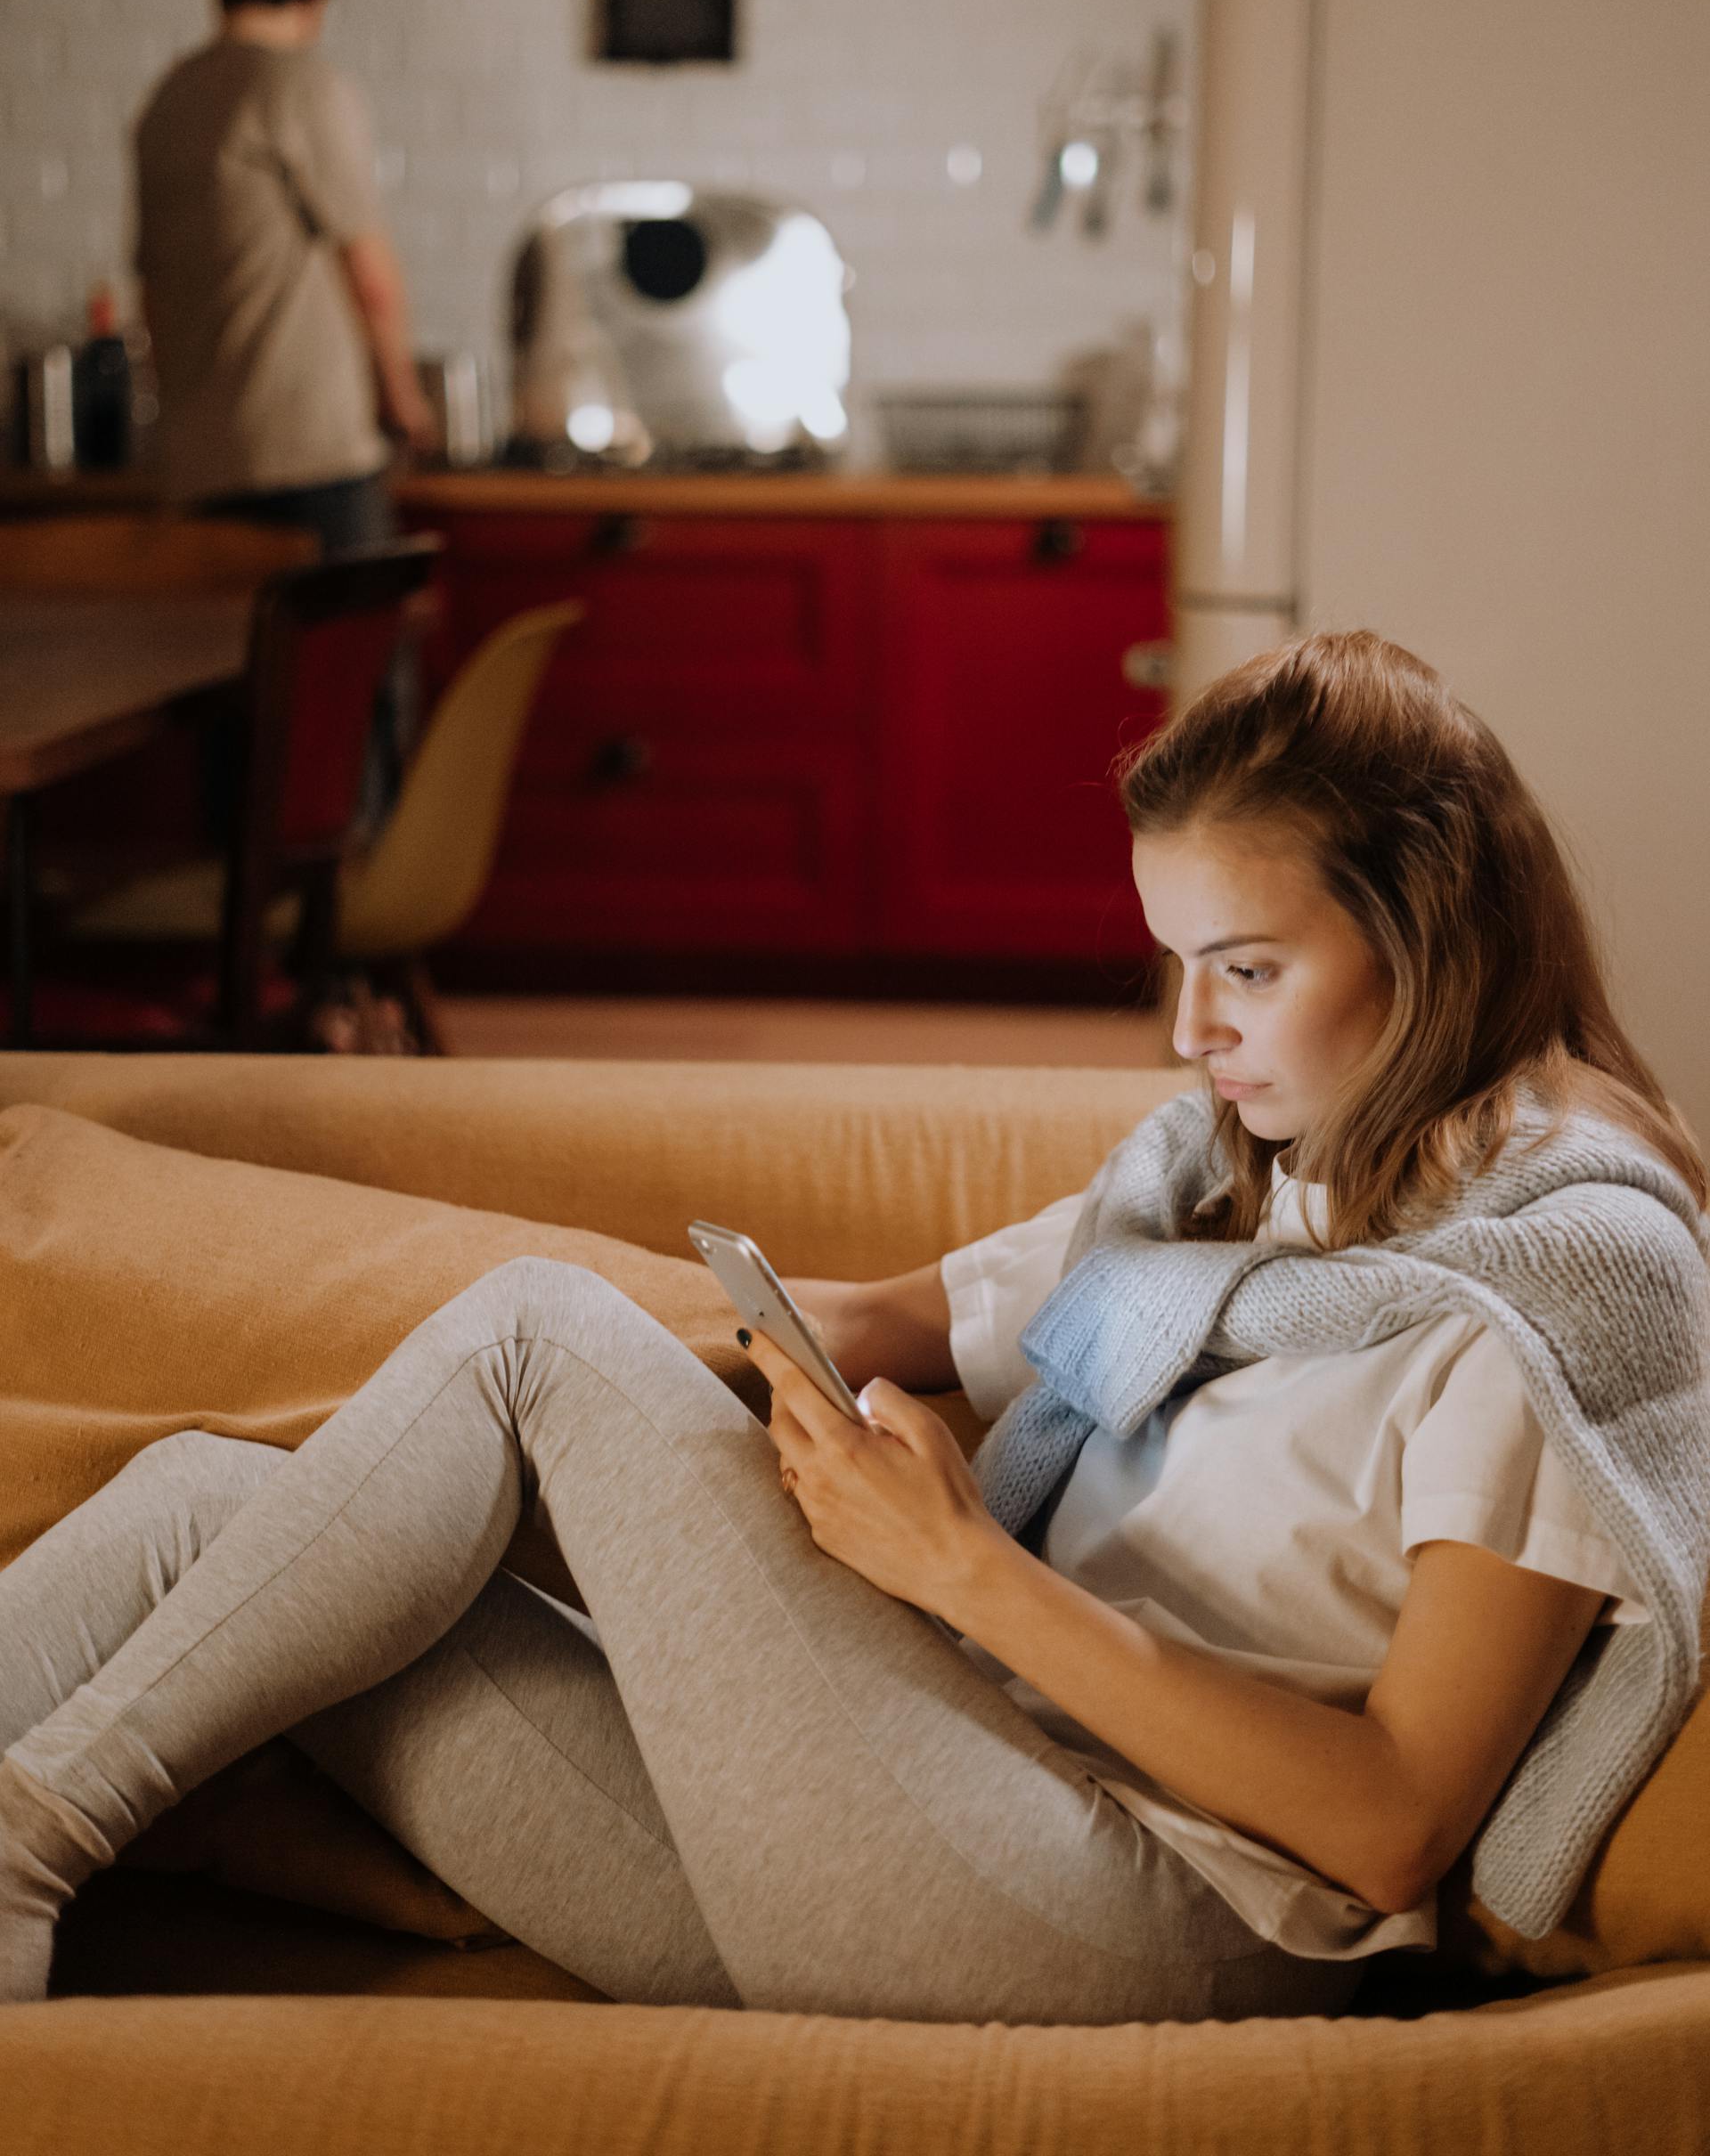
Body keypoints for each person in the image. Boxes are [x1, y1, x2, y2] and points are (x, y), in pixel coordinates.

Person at [3, 633, 1706, 2019]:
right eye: (1173, 960)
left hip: (1145, 1913)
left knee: (534, 1338)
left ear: (1428, 937)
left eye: (1248, 969)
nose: (1190, 1029)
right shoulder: (1244, 1183)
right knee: (214, 1504)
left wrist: (967, 1569)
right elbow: (884, 1318)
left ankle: (23, 1850)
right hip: (902, 1804)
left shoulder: (1546, 1303)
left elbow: (1398, 1824)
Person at [133, 0, 436, 557]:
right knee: (355, 654)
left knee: (224, 655)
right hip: (308, 447)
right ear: (317, 0)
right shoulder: (300, 83)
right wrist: (404, 401)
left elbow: (149, 287)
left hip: (197, 461)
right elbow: (367, 265)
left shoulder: (169, 99)